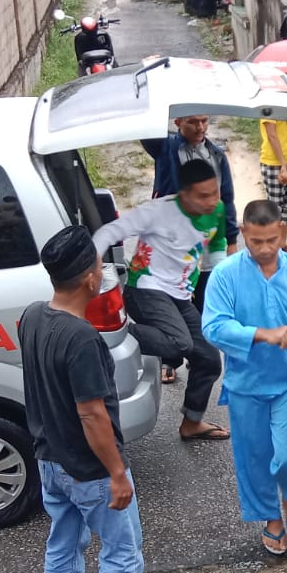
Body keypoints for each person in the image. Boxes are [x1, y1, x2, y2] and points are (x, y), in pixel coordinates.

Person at [20, 226, 144, 573]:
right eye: (98, 265)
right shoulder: (82, 339)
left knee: (63, 547)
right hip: (90, 471)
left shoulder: (31, 316)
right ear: (90, 278)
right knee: (122, 554)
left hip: (49, 461)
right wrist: (117, 472)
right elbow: (92, 414)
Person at [202, 201, 287, 556]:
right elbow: (213, 325)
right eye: (256, 242)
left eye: (271, 240)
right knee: (254, 457)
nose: (265, 249)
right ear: (243, 233)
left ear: (282, 232)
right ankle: (271, 517)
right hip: (246, 384)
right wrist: (262, 334)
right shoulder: (225, 274)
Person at [92, 159, 229, 440]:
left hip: (179, 296)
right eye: (203, 195)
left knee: (209, 359)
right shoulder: (157, 212)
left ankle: (191, 422)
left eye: (215, 192)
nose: (211, 201)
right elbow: (109, 232)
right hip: (145, 289)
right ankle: (112, 334)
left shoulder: (216, 210)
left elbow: (216, 252)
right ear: (184, 193)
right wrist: (91, 268)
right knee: (179, 343)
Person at [142, 115, 238, 248]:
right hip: (171, 236)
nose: (200, 127)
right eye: (192, 122)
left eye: (204, 121)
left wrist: (232, 241)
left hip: (209, 235)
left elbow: (226, 199)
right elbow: (146, 126)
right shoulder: (165, 146)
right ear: (178, 123)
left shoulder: (218, 156)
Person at [260, 117, 287, 224]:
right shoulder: (269, 107)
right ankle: (274, 238)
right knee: (275, 208)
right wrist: (283, 164)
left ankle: (283, 238)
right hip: (273, 163)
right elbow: (272, 136)